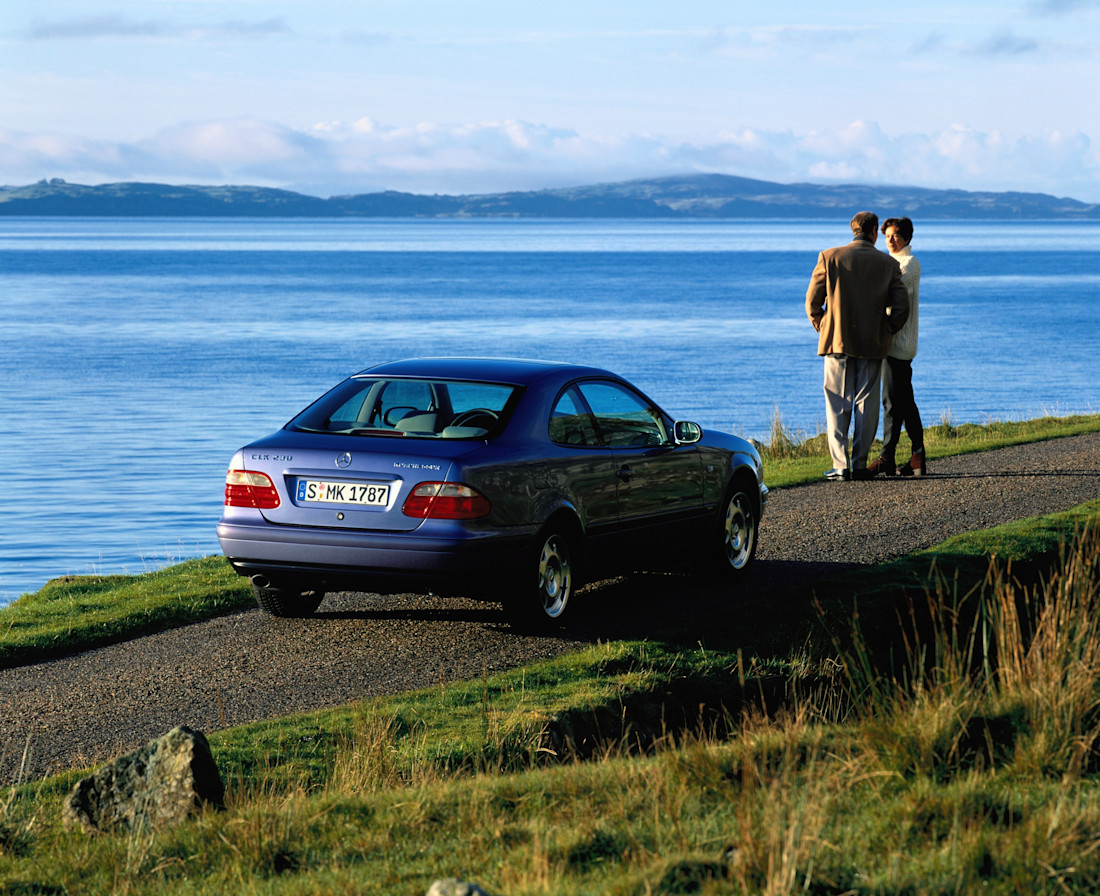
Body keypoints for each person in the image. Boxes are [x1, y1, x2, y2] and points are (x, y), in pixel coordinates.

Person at [806, 211, 909, 481]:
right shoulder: (887, 264)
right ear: (874, 231)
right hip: (872, 342)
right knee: (866, 403)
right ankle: (860, 463)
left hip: (836, 341)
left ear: (853, 230)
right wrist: (886, 330)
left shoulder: (829, 257)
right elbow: (901, 308)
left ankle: (840, 465)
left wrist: (822, 325)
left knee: (837, 403)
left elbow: (812, 302)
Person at [869, 217, 926, 477]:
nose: (891, 240)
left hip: (898, 344)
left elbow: (890, 292)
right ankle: (916, 456)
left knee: (892, 402)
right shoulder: (890, 263)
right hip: (892, 342)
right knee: (905, 402)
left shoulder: (910, 264)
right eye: (887, 235)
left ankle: (886, 457)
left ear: (906, 238)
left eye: (896, 235)